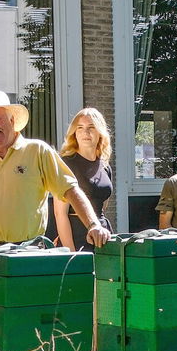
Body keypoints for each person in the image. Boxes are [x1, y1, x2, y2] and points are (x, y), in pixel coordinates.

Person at [0, 89, 109, 249]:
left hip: (28, 251)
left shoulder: (38, 151)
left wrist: (93, 225)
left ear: (12, 120)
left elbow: (71, 190)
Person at [49, 107, 113, 251]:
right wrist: (71, 253)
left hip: (102, 236)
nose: (86, 132)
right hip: (75, 236)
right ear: (74, 133)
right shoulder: (65, 164)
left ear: (100, 133)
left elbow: (102, 205)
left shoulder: (104, 165)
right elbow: (60, 214)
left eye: (91, 127)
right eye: (80, 128)